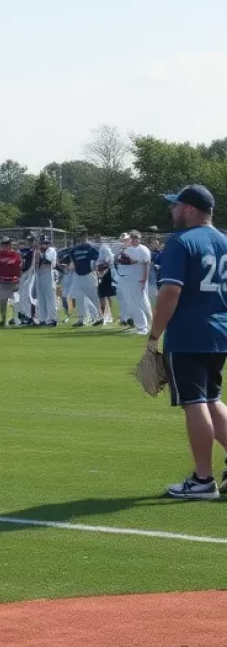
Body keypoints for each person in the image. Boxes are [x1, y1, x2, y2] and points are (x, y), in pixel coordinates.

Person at [145, 185, 227, 500]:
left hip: (190, 333)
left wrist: (153, 337)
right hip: (219, 332)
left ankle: (203, 479)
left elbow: (170, 292)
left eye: (176, 205)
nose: (172, 210)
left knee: (194, 403)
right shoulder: (222, 241)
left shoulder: (181, 242)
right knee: (212, 399)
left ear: (190, 209)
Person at [117, 229, 153, 336]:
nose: (133, 240)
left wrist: (144, 279)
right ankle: (140, 324)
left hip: (138, 279)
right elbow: (119, 259)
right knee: (131, 302)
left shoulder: (143, 250)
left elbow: (147, 264)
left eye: (135, 238)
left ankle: (143, 326)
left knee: (139, 302)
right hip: (127, 279)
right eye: (132, 238)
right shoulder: (127, 249)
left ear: (139, 239)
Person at [69, 230, 101, 325]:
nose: (83, 238)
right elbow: (73, 262)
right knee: (79, 298)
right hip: (78, 276)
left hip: (89, 275)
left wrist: (97, 271)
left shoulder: (90, 248)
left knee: (94, 297)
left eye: (84, 236)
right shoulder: (74, 250)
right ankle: (81, 319)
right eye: (81, 236)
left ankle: (100, 316)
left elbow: (97, 259)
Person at [0, 235, 22, 327]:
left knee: (16, 302)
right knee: (2, 303)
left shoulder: (16, 255)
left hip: (14, 281)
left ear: (10, 245)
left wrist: (19, 280)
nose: (5, 246)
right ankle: (3, 320)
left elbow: (19, 268)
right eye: (3, 244)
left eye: (7, 244)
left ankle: (15, 318)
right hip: (3, 281)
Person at [34, 235, 59, 327]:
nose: (44, 245)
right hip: (38, 274)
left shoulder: (52, 251)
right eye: (42, 243)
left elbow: (51, 263)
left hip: (49, 274)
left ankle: (52, 319)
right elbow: (34, 265)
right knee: (41, 299)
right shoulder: (36, 251)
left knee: (50, 298)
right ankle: (42, 319)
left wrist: (41, 257)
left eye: (46, 243)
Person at [96, 237, 116, 325]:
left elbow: (109, 262)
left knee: (105, 295)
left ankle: (107, 316)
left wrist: (101, 268)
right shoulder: (99, 248)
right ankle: (104, 315)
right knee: (101, 295)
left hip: (106, 273)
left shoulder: (106, 249)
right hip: (100, 273)